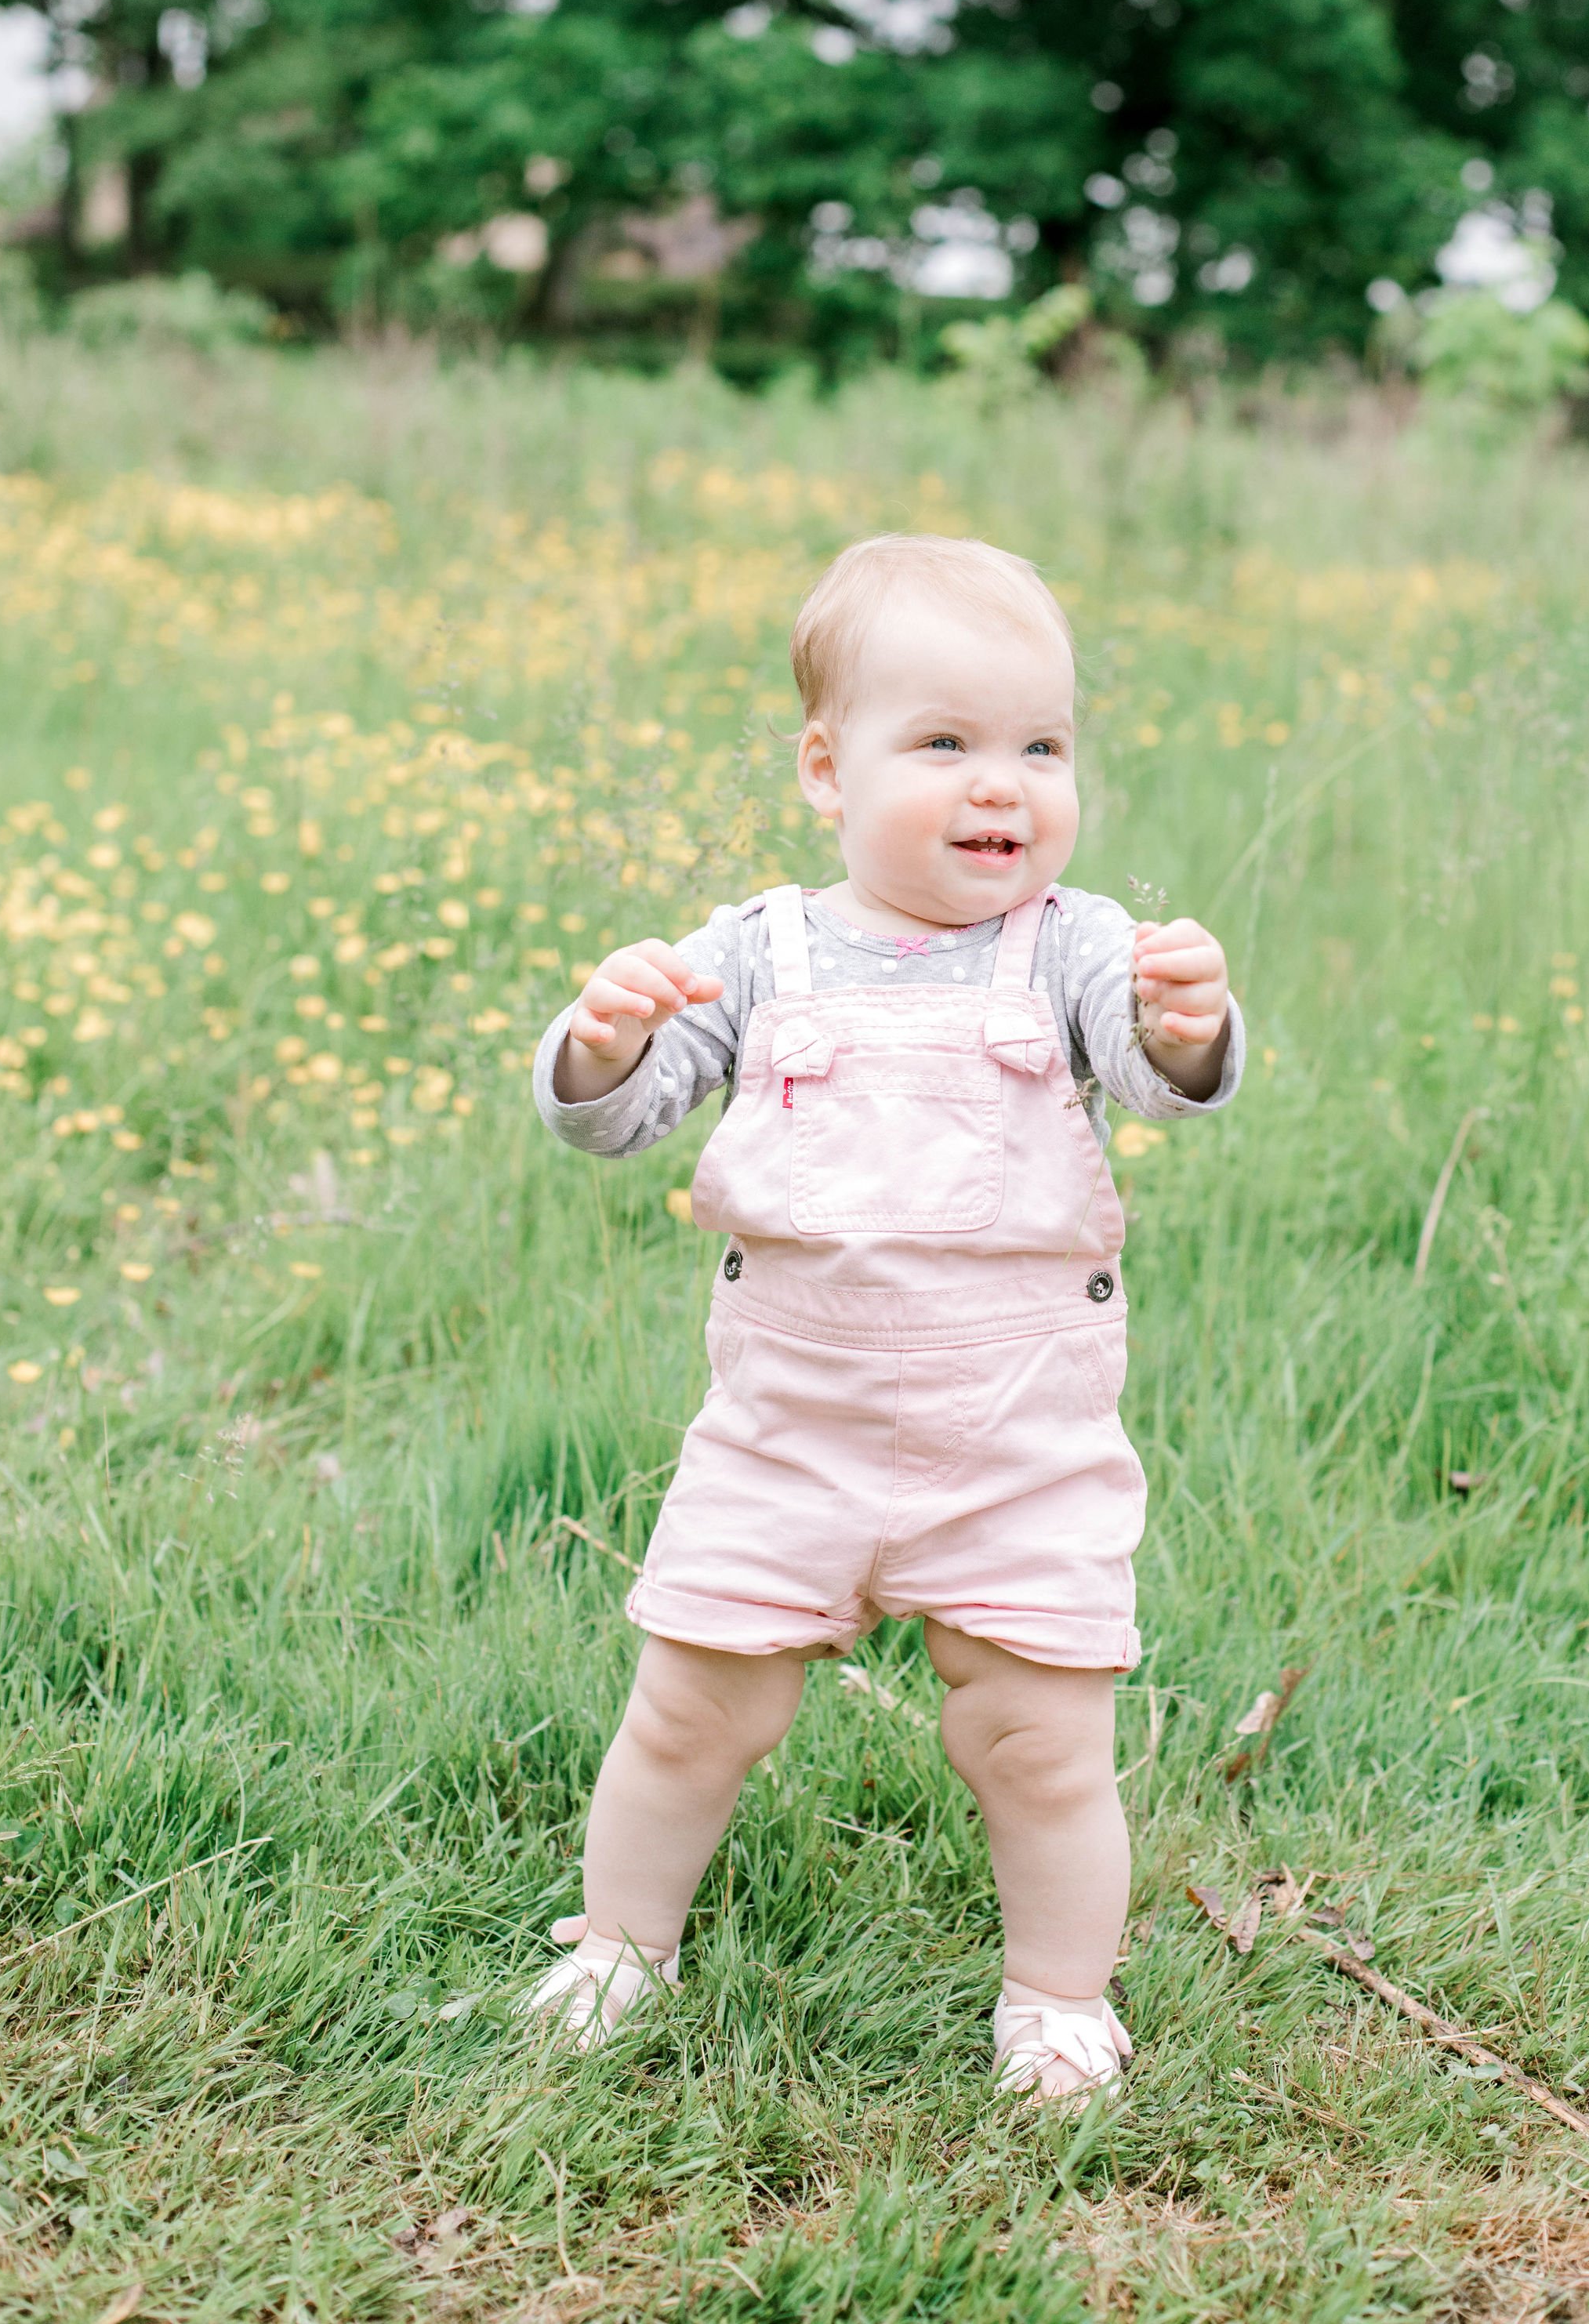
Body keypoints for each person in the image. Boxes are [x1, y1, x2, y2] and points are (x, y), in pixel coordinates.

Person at [528, 533, 1243, 2099]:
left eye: (1040, 747)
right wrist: (595, 1045)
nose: (1004, 787)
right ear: (823, 768)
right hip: (789, 1438)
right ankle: (618, 1947)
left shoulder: (1074, 947)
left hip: (1019, 1448)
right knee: (689, 1716)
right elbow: (620, 1117)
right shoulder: (756, 952)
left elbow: (1154, 1078)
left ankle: (1058, 2001)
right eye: (945, 744)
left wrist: (1187, 1026)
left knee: (1039, 1745)